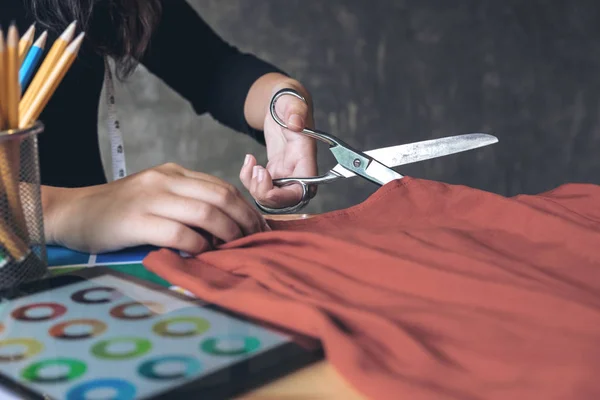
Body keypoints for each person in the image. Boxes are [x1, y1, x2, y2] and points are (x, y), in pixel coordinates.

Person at [3, 0, 317, 254]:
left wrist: (282, 102)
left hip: (88, 261)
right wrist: (64, 210)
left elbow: (212, 67)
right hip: (80, 232)